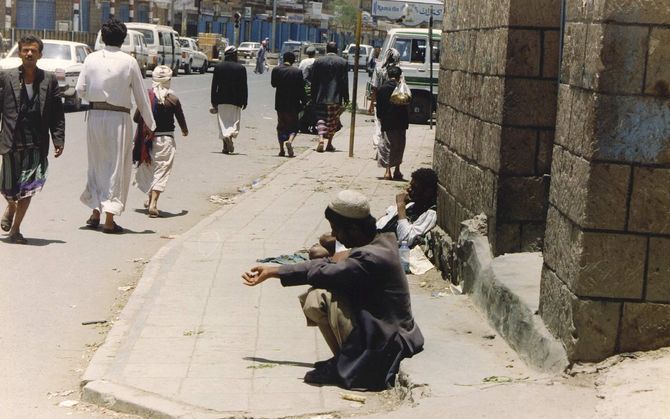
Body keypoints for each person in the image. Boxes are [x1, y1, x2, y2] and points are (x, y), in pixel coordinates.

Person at [242, 190, 424, 390]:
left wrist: (274, 272)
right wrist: (272, 270)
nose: (334, 235)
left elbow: (324, 272)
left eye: (336, 229)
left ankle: (345, 366)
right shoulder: (381, 241)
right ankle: (344, 360)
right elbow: (329, 263)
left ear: (354, 229)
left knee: (319, 297)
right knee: (326, 290)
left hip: (388, 342)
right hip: (392, 331)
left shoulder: (370, 258)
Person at [76, 18, 155, 234]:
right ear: (123, 39)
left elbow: (80, 89)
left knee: (96, 164)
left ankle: (95, 213)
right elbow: (141, 96)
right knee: (116, 168)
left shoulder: (91, 59)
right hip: (118, 119)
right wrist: (151, 124)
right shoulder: (129, 62)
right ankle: (109, 220)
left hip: (94, 116)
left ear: (102, 37)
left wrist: (96, 96)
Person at [0, 34, 65, 244]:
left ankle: (15, 229)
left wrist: (58, 139)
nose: (29, 53)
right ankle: (11, 206)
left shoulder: (49, 79)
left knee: (28, 189)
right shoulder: (6, 77)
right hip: (11, 141)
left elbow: (57, 113)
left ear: (40, 55)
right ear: (19, 53)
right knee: (8, 187)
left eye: (33, 51)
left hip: (36, 144)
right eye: (25, 50)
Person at [310, 168, 438, 258]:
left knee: (317, 252)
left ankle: (340, 258)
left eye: (415, 188)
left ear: (427, 192)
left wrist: (400, 207)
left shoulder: (429, 213)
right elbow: (386, 218)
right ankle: (340, 253)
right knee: (326, 238)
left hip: (384, 247)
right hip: (373, 237)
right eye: (410, 185)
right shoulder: (412, 203)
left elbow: (406, 239)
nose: (409, 189)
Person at [132, 65, 188, 218]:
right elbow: (181, 120)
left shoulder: (147, 97)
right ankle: (154, 203)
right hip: (166, 141)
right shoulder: (173, 99)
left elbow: (136, 118)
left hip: (148, 141)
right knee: (161, 171)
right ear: (168, 80)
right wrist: (184, 130)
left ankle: (150, 199)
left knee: (150, 170)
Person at [308, 41, 349, 153]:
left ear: (326, 50)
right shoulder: (343, 62)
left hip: (320, 96)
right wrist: (346, 97)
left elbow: (314, 81)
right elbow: (344, 81)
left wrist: (312, 96)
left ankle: (321, 139)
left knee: (320, 119)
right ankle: (329, 143)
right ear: (337, 50)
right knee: (333, 121)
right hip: (335, 97)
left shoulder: (318, 61)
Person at [211, 46, 248, 154]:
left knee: (223, 123)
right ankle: (229, 140)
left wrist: (213, 100)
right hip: (236, 101)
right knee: (233, 123)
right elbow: (244, 87)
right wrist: (245, 101)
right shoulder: (241, 68)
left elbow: (214, 86)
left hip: (221, 100)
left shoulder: (219, 67)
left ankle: (225, 145)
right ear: (234, 55)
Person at [375, 66, 409, 180]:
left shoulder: (381, 89)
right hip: (401, 121)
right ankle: (397, 170)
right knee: (399, 145)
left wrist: (380, 118)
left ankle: (387, 171)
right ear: (399, 76)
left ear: (388, 75)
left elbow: (379, 107)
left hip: (387, 121)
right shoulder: (402, 88)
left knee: (388, 145)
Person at [271, 52, 306, 157]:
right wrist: (304, 102)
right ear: (293, 60)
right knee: (293, 126)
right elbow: (301, 89)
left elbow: (273, 84)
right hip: (293, 103)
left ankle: (281, 150)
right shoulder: (297, 72)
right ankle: (290, 141)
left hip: (280, 103)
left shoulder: (276, 70)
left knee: (281, 126)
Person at [368, 48, 400, 159]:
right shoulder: (398, 70)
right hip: (393, 105)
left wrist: (372, 104)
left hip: (380, 103)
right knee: (389, 129)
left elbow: (374, 88)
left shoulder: (379, 69)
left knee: (378, 126)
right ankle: (386, 150)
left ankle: (378, 150)